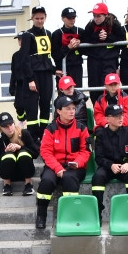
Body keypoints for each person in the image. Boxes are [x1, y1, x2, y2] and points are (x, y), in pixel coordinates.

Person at [35, 95, 92, 230]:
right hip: (55, 165)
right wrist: (57, 168)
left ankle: (71, 215)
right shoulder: (50, 129)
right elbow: (46, 152)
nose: (72, 111)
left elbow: (86, 151)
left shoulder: (81, 128)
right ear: (59, 111)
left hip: (75, 167)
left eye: (73, 108)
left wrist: (77, 163)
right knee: (47, 181)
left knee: (69, 178)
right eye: (68, 108)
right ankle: (41, 215)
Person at [90, 104, 128, 218]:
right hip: (107, 167)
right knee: (98, 177)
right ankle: (97, 213)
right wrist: (110, 165)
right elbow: (99, 157)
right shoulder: (101, 134)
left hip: (125, 166)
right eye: (117, 116)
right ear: (107, 118)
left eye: (121, 115)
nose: (121, 118)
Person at [18, 6, 57, 140]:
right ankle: (33, 137)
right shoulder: (27, 35)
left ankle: (45, 134)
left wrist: (54, 70)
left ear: (45, 17)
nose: (39, 21)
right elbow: (24, 59)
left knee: (46, 103)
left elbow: (48, 56)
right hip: (33, 75)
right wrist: (30, 79)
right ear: (32, 18)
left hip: (46, 74)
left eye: (42, 18)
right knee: (32, 107)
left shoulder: (48, 34)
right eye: (37, 18)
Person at [81, 3, 126, 104]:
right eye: (94, 16)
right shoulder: (90, 25)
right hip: (94, 62)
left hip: (110, 61)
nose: (96, 18)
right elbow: (83, 44)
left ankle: (111, 110)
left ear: (105, 15)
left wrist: (108, 38)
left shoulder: (114, 25)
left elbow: (123, 43)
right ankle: (97, 111)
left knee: (110, 86)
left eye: (98, 16)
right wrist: (96, 37)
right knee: (94, 88)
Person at [0, 111, 38, 197]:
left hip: (25, 171)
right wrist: (5, 151)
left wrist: (20, 147)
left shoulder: (24, 133)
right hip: (9, 172)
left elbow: (35, 153)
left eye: (11, 124)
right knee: (8, 156)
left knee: (23, 154)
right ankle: (7, 185)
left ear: (14, 123)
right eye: (5, 127)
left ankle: (28, 184)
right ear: (1, 128)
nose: (10, 128)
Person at [92, 73, 128, 139]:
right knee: (99, 132)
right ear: (106, 86)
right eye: (110, 85)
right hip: (107, 124)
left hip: (124, 124)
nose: (113, 87)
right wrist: (108, 124)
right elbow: (98, 115)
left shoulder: (126, 98)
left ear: (119, 85)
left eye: (115, 84)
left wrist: (117, 124)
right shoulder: (100, 100)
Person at [51, 7, 84, 88]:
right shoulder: (56, 34)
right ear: (62, 18)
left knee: (77, 92)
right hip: (62, 69)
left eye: (74, 18)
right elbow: (55, 55)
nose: (72, 20)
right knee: (63, 94)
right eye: (69, 18)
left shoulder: (81, 32)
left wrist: (81, 42)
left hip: (77, 67)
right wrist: (68, 47)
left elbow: (87, 50)